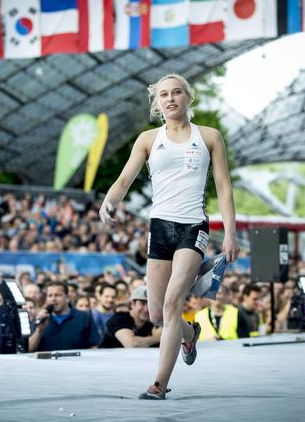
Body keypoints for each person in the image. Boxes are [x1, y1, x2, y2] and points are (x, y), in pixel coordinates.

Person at [99, 73, 239, 400]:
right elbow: (124, 179)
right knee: (157, 314)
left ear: (188, 97)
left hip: (193, 227)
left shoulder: (209, 137)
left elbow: (224, 187)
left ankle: (159, 384)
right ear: (157, 102)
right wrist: (109, 202)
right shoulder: (148, 139)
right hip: (160, 227)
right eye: (164, 94)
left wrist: (230, 232)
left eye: (177, 92)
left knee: (173, 301)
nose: (171, 98)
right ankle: (189, 334)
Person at [27, 282, 100, 352]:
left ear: (67, 297)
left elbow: (94, 346)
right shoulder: (40, 318)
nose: (53, 299)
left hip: (76, 364)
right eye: (50, 295)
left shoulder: (84, 317)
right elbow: (30, 349)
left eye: (57, 295)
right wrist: (39, 331)